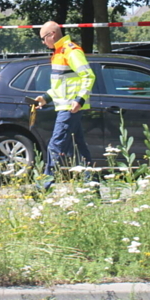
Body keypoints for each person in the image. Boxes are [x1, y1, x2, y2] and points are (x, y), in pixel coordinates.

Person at [35, 21, 96, 182]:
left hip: (70, 108)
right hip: (67, 106)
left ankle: (44, 185)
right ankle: (91, 186)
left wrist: (79, 100)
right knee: (80, 149)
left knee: (55, 145)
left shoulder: (70, 51)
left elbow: (89, 75)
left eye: (43, 38)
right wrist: (46, 98)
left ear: (52, 35)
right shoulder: (59, 53)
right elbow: (60, 85)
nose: (43, 42)